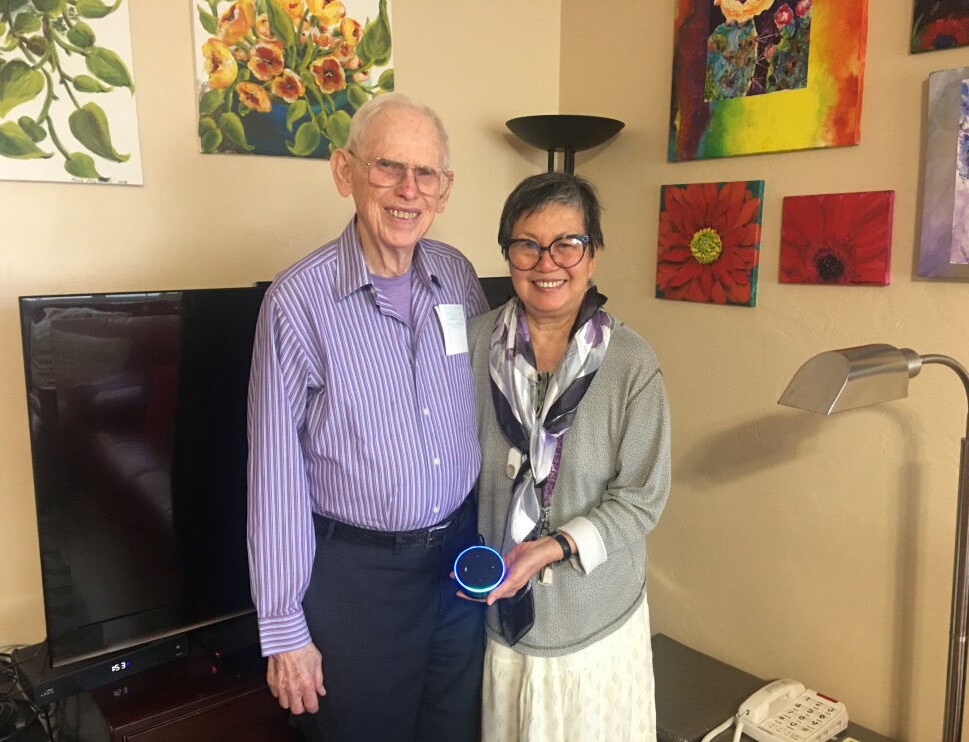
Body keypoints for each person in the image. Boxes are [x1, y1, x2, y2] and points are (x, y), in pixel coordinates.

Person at [247, 92, 489, 742]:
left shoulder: (458, 277)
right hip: (359, 581)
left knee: (456, 730)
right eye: (388, 166)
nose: (408, 190)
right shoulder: (297, 301)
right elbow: (274, 472)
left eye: (426, 174)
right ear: (344, 171)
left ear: (444, 189)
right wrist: (283, 625)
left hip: (459, 567)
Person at [463, 172, 671, 742]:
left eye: (567, 243)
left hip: (593, 624)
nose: (546, 261)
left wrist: (552, 547)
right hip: (498, 619)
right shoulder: (473, 345)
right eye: (526, 243)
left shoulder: (631, 363)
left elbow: (643, 499)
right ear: (508, 253)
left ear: (593, 254)